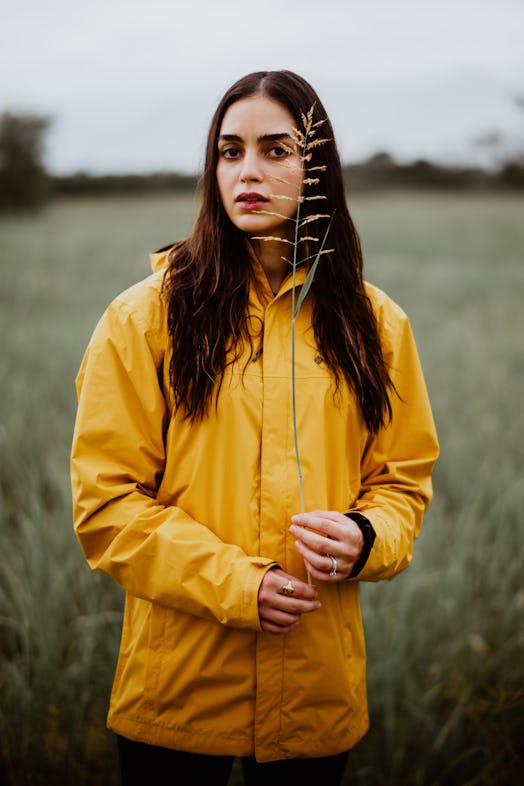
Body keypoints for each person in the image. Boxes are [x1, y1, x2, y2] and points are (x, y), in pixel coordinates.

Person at [70, 69, 439, 786]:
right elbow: (106, 505)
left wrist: (367, 538)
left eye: (276, 150)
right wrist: (240, 585)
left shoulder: (376, 324)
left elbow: (402, 484)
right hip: (176, 687)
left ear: (317, 166)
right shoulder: (143, 317)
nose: (248, 171)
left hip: (316, 687)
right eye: (229, 151)